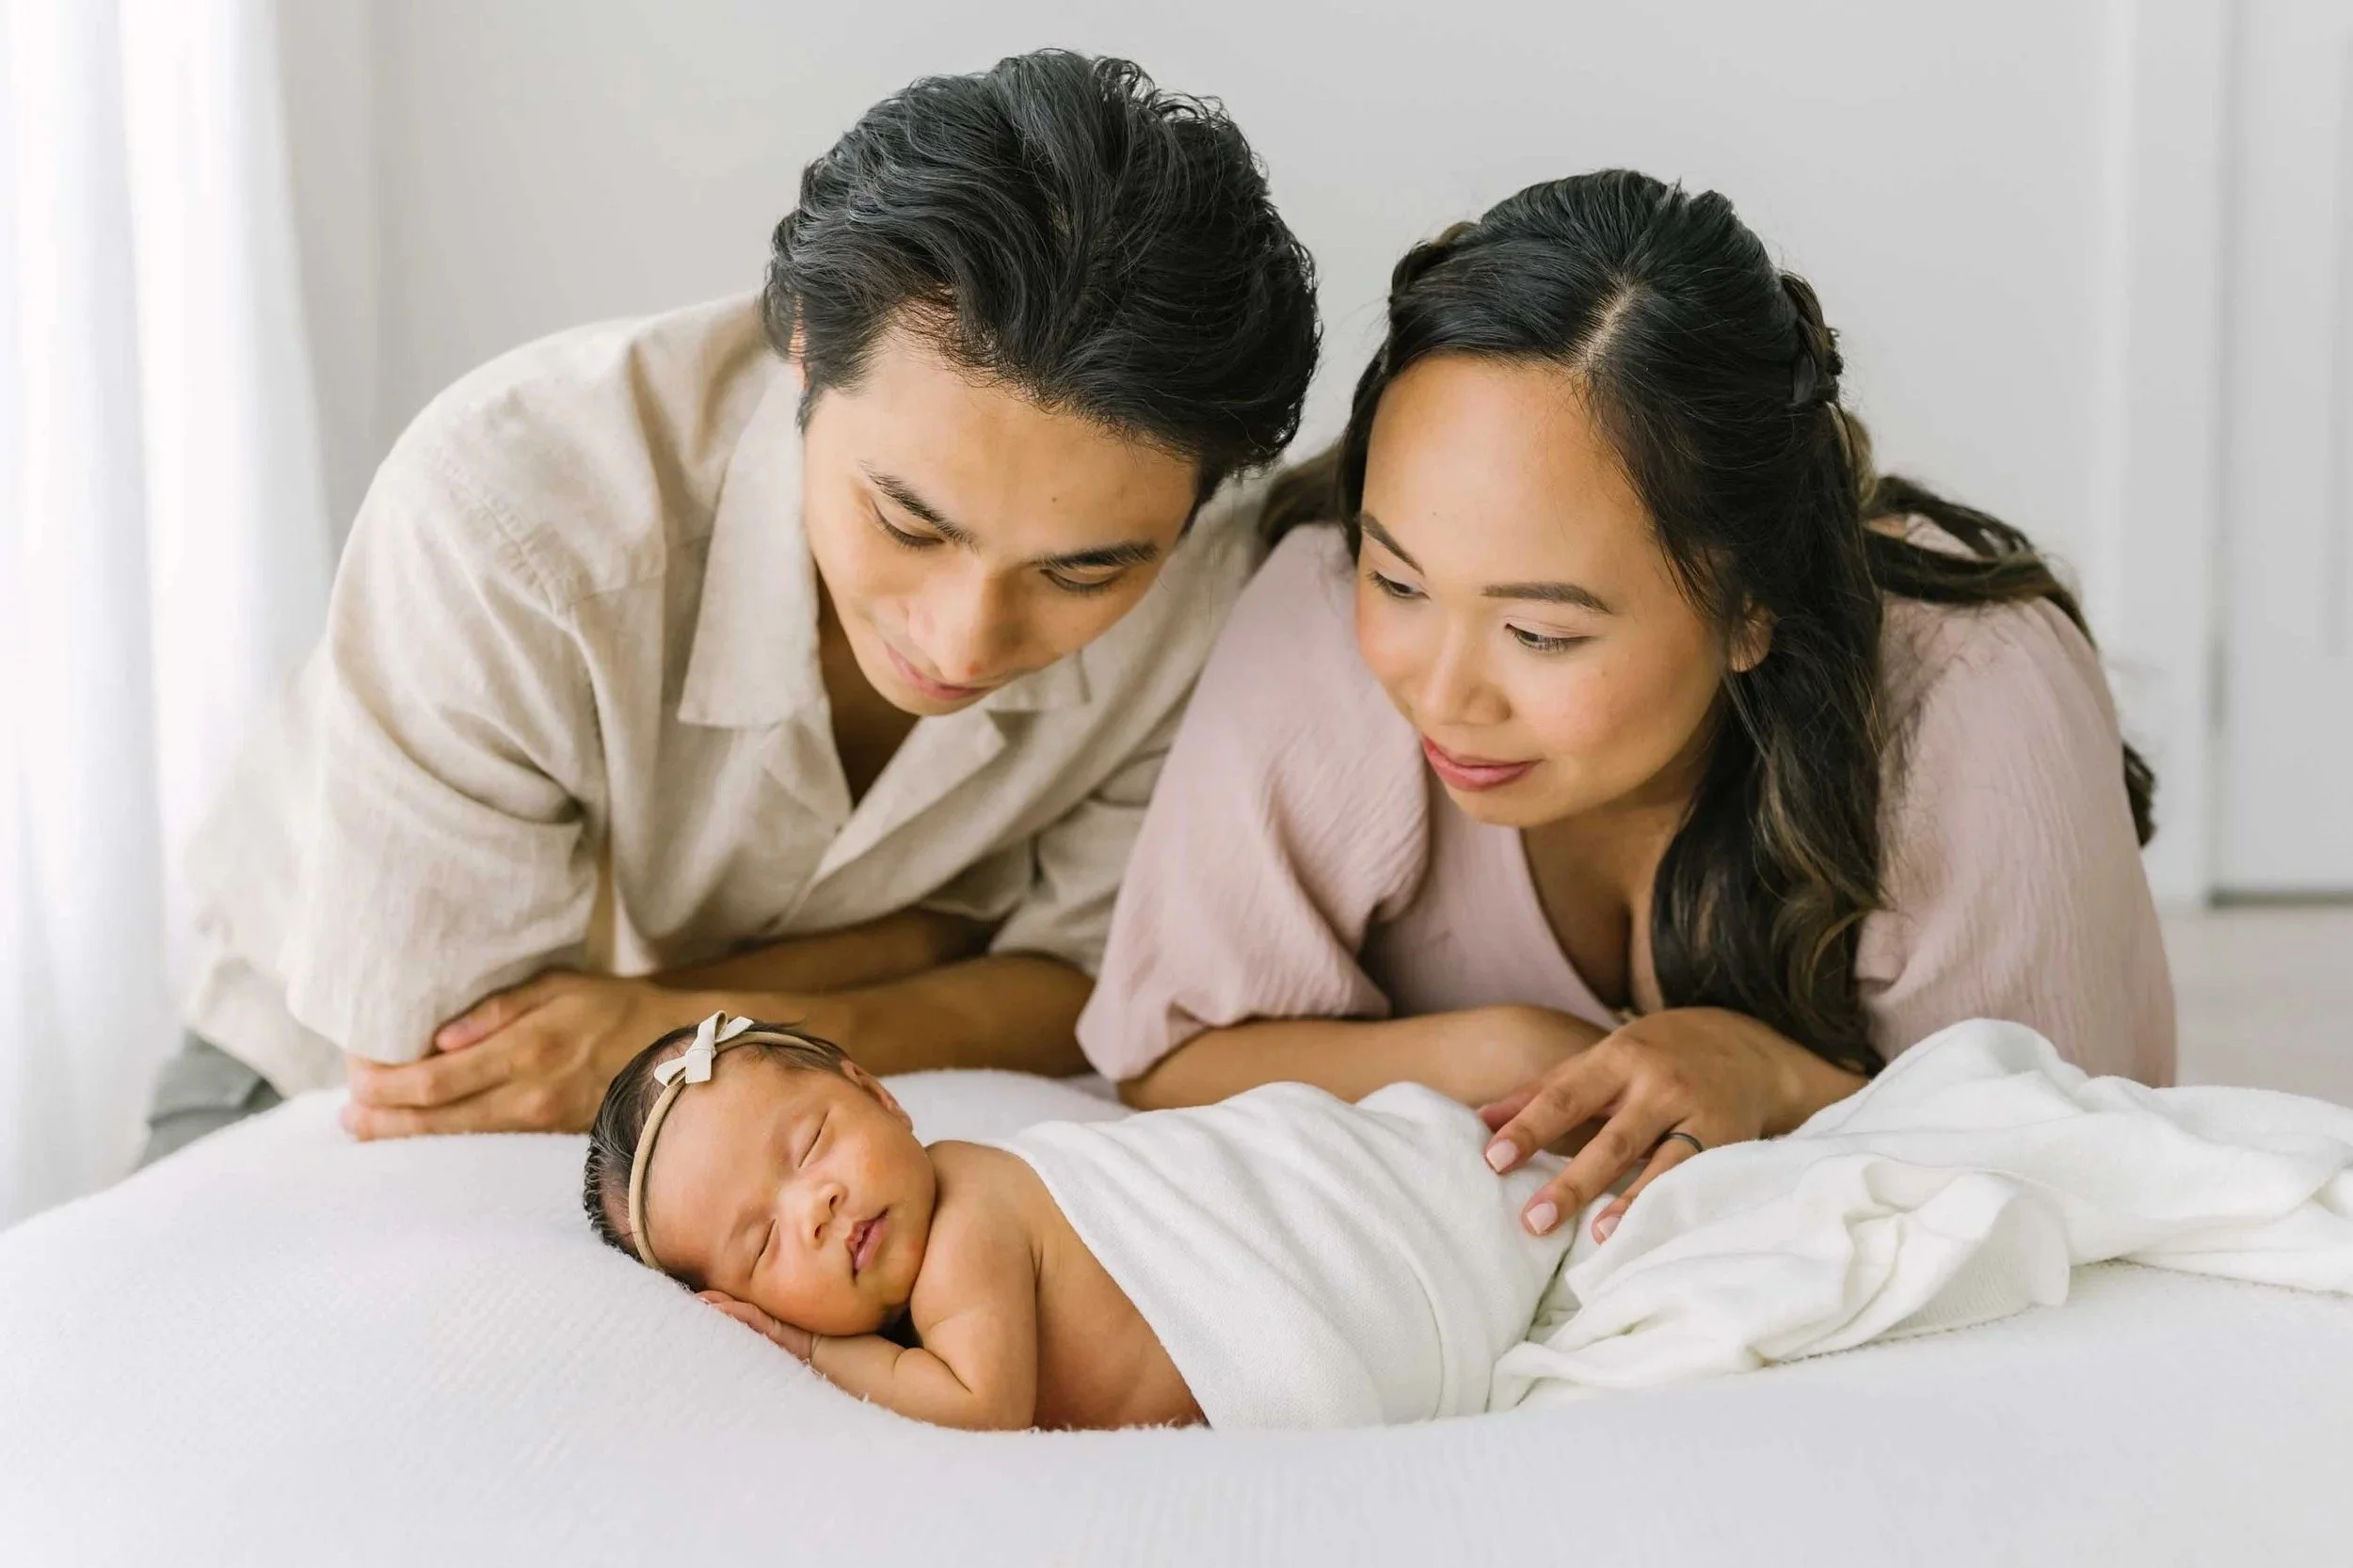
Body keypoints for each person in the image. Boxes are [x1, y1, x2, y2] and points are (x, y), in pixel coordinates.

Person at [139, 50, 1318, 1162]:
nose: (963, 639)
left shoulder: (1216, 581)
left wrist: (667, 1016)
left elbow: (1090, 997)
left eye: (1082, 573)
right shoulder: (514, 513)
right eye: (909, 522)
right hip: (301, 1084)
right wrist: (935, 945)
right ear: (801, 350)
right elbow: (473, 1066)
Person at [1077, 169, 2175, 1246]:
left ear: (1751, 607)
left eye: (1542, 633)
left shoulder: (1974, 699)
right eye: (1398, 579)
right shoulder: (1316, 617)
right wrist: (1502, 1049)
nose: (1443, 693)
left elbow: (2071, 1161)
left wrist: (1768, 1074)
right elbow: (1164, 1054)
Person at [583, 1012, 1571, 1431]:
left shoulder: (967, 1218)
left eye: (809, 1148)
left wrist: (806, 1345)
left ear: (877, 1093)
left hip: (1361, 1233)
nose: (816, 1206)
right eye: (761, 1243)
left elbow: (981, 1408)